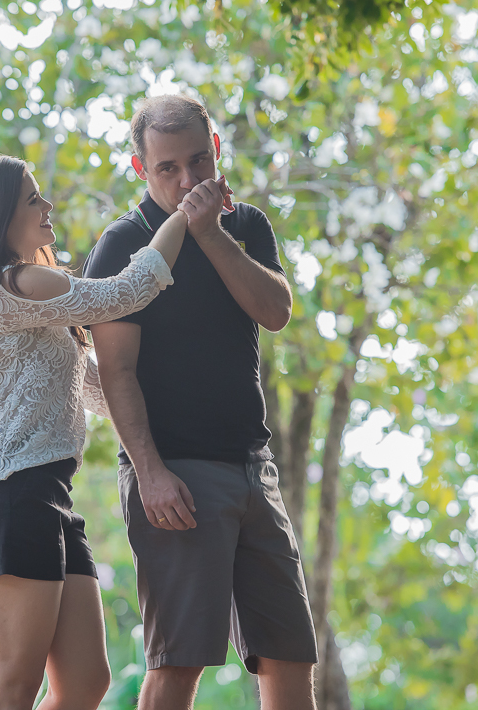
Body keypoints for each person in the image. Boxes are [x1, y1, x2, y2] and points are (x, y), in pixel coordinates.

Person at [0, 153, 188, 710]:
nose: (48, 206)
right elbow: (123, 294)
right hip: (8, 493)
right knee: (13, 683)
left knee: (84, 684)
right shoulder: (18, 283)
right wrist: (183, 214)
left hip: (44, 496)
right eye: (32, 198)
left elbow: (85, 387)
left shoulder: (14, 293)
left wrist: (166, 420)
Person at [82, 95, 318, 710]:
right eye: (167, 169)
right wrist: (150, 473)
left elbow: (275, 312)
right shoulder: (122, 246)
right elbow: (116, 373)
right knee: (177, 663)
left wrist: (208, 232)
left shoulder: (247, 227)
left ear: (215, 149)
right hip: (174, 476)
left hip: (253, 469)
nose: (188, 182)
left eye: (198, 161)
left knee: (289, 657)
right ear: (141, 169)